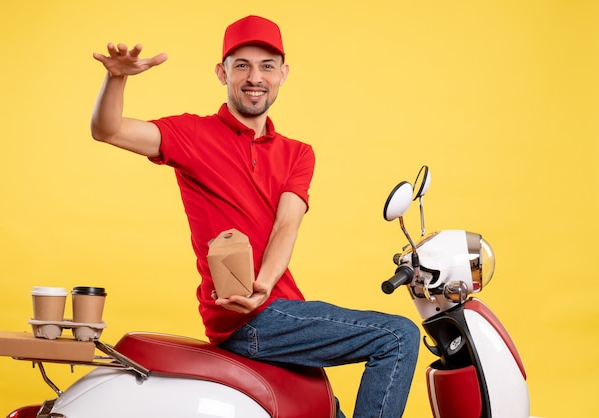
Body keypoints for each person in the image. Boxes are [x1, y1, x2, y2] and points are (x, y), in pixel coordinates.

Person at [91, 15, 419, 418]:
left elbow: (286, 225)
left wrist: (263, 285)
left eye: (266, 66)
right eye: (241, 64)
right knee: (397, 336)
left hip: (281, 311)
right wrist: (117, 79)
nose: (254, 77)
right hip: (246, 320)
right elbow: (108, 130)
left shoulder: (298, 153)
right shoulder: (192, 135)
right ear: (221, 72)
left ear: (283, 74)